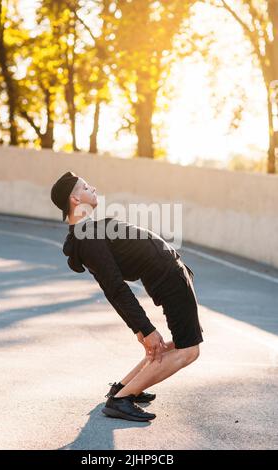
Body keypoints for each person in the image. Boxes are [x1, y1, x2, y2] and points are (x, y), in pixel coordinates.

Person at [50, 171, 204, 422]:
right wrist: (145, 328)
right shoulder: (87, 236)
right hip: (168, 279)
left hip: (169, 276)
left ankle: (124, 388)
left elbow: (112, 287)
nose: (94, 188)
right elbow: (114, 288)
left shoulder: (88, 231)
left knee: (180, 343)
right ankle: (121, 400)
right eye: (87, 187)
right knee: (189, 351)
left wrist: (140, 330)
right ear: (75, 200)